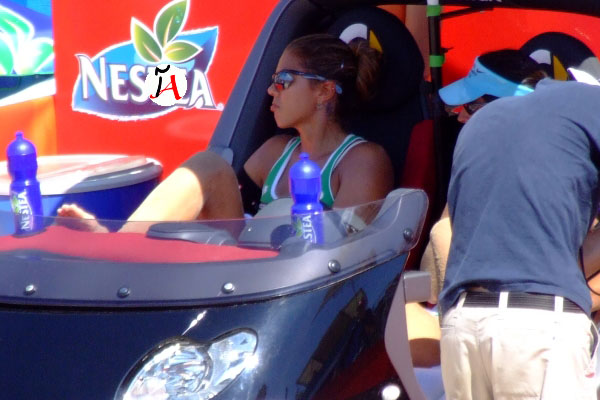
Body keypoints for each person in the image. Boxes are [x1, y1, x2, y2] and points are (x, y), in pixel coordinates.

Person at [57, 34, 393, 231]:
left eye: (283, 81)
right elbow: (216, 210)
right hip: (241, 278)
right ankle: (122, 246)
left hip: (302, 295)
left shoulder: (363, 160)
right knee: (209, 167)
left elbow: (347, 257)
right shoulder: (275, 152)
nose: (271, 91)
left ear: (324, 91)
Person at [438, 73, 600, 400]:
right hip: (539, 331)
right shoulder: (592, 107)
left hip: (463, 324)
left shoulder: (483, 122)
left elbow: (456, 232)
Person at [419, 49, 547, 304]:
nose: (460, 116)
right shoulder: (479, 166)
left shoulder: (553, 174)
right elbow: (431, 279)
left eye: (471, 106)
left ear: (508, 109)